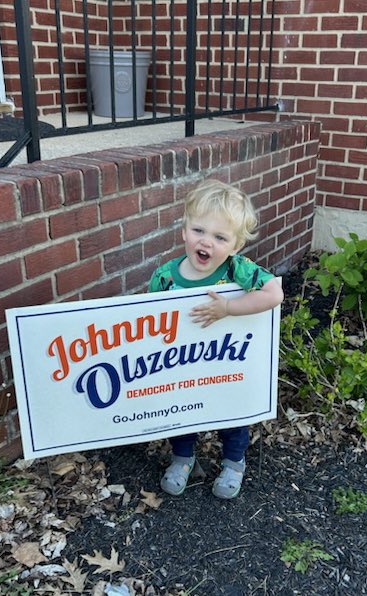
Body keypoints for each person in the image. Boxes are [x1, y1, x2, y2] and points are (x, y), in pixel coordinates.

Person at [148, 179, 284, 499]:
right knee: (179, 408)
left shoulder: (237, 269)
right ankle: (183, 458)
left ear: (235, 245)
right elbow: (149, 322)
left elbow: (273, 293)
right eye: (199, 230)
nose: (206, 242)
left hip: (225, 363)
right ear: (184, 231)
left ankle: (234, 462)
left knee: (233, 411)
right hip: (181, 363)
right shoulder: (165, 276)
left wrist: (228, 308)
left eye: (220, 237)